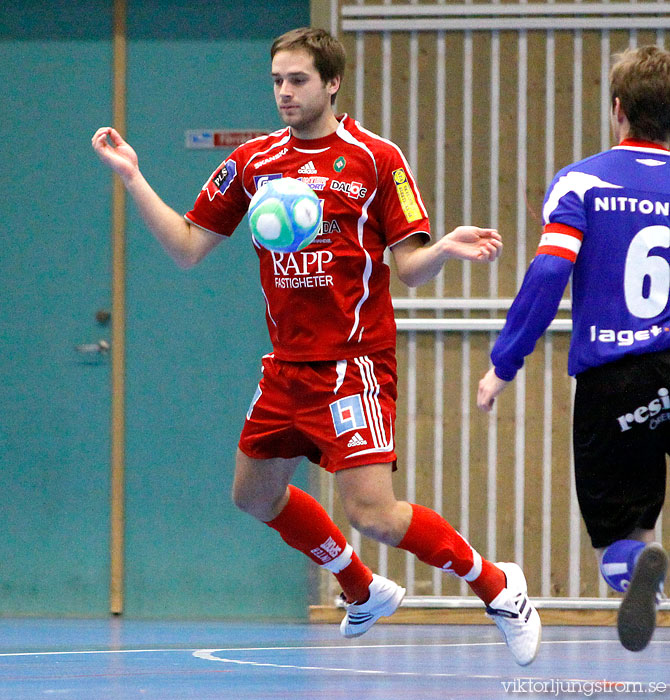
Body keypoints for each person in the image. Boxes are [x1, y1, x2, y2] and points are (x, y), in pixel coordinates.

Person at [93, 26, 540, 666]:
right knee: (253, 496)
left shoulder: (375, 158)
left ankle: (500, 587)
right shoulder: (254, 163)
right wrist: (134, 178)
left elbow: (408, 267)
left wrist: (440, 249)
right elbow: (188, 247)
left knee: (375, 515)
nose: (284, 92)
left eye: (298, 79)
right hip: (286, 366)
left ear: (331, 83)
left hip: (351, 364)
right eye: (277, 80)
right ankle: (362, 587)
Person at [477, 45, 670, 652]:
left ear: (618, 110)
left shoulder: (583, 182)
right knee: (642, 510)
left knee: (620, 543)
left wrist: (504, 362)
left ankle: (637, 567)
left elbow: (548, 275)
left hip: (616, 382)